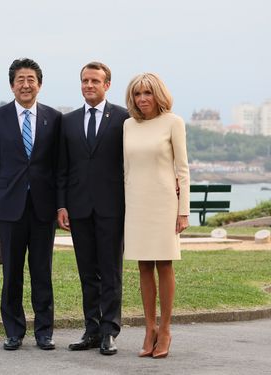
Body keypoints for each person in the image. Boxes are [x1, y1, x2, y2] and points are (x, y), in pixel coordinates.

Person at [0, 58, 61, 351]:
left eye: (31, 79)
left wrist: (60, 205)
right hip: (8, 206)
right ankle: (13, 331)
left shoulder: (54, 118)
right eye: (20, 80)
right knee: (12, 272)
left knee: (42, 271)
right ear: (12, 85)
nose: (25, 85)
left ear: (39, 84)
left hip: (43, 207)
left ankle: (44, 332)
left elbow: (58, 166)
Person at [57, 62, 129, 355]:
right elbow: (62, 167)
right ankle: (92, 329)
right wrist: (61, 204)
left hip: (112, 207)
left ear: (107, 85)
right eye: (85, 81)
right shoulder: (69, 121)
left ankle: (110, 331)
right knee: (87, 272)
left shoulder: (124, 119)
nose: (89, 85)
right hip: (78, 208)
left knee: (111, 272)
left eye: (95, 81)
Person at [123, 72, 190, 358]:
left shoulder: (174, 122)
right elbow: (126, 169)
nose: (142, 99)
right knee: (142, 266)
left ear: (158, 95)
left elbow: (183, 170)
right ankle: (148, 327)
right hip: (136, 202)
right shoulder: (128, 125)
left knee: (164, 265)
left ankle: (164, 329)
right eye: (137, 94)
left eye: (147, 93)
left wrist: (183, 210)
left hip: (164, 202)